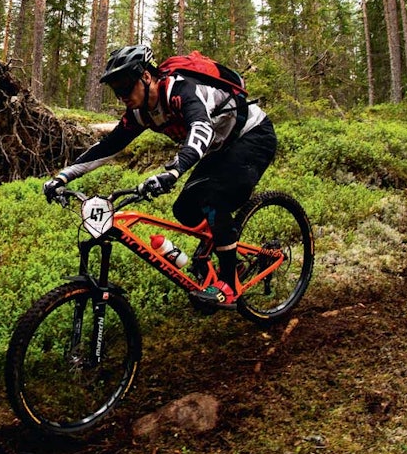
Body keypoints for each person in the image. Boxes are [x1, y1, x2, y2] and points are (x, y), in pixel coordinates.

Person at [43, 44, 277, 305]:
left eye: (125, 86)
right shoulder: (140, 113)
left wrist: (175, 170)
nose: (121, 95)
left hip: (253, 136)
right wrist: (63, 177)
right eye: (116, 90)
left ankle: (229, 282)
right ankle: (226, 254)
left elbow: (201, 128)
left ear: (146, 76)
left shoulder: (180, 90)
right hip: (219, 147)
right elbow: (109, 146)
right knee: (185, 211)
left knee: (214, 199)